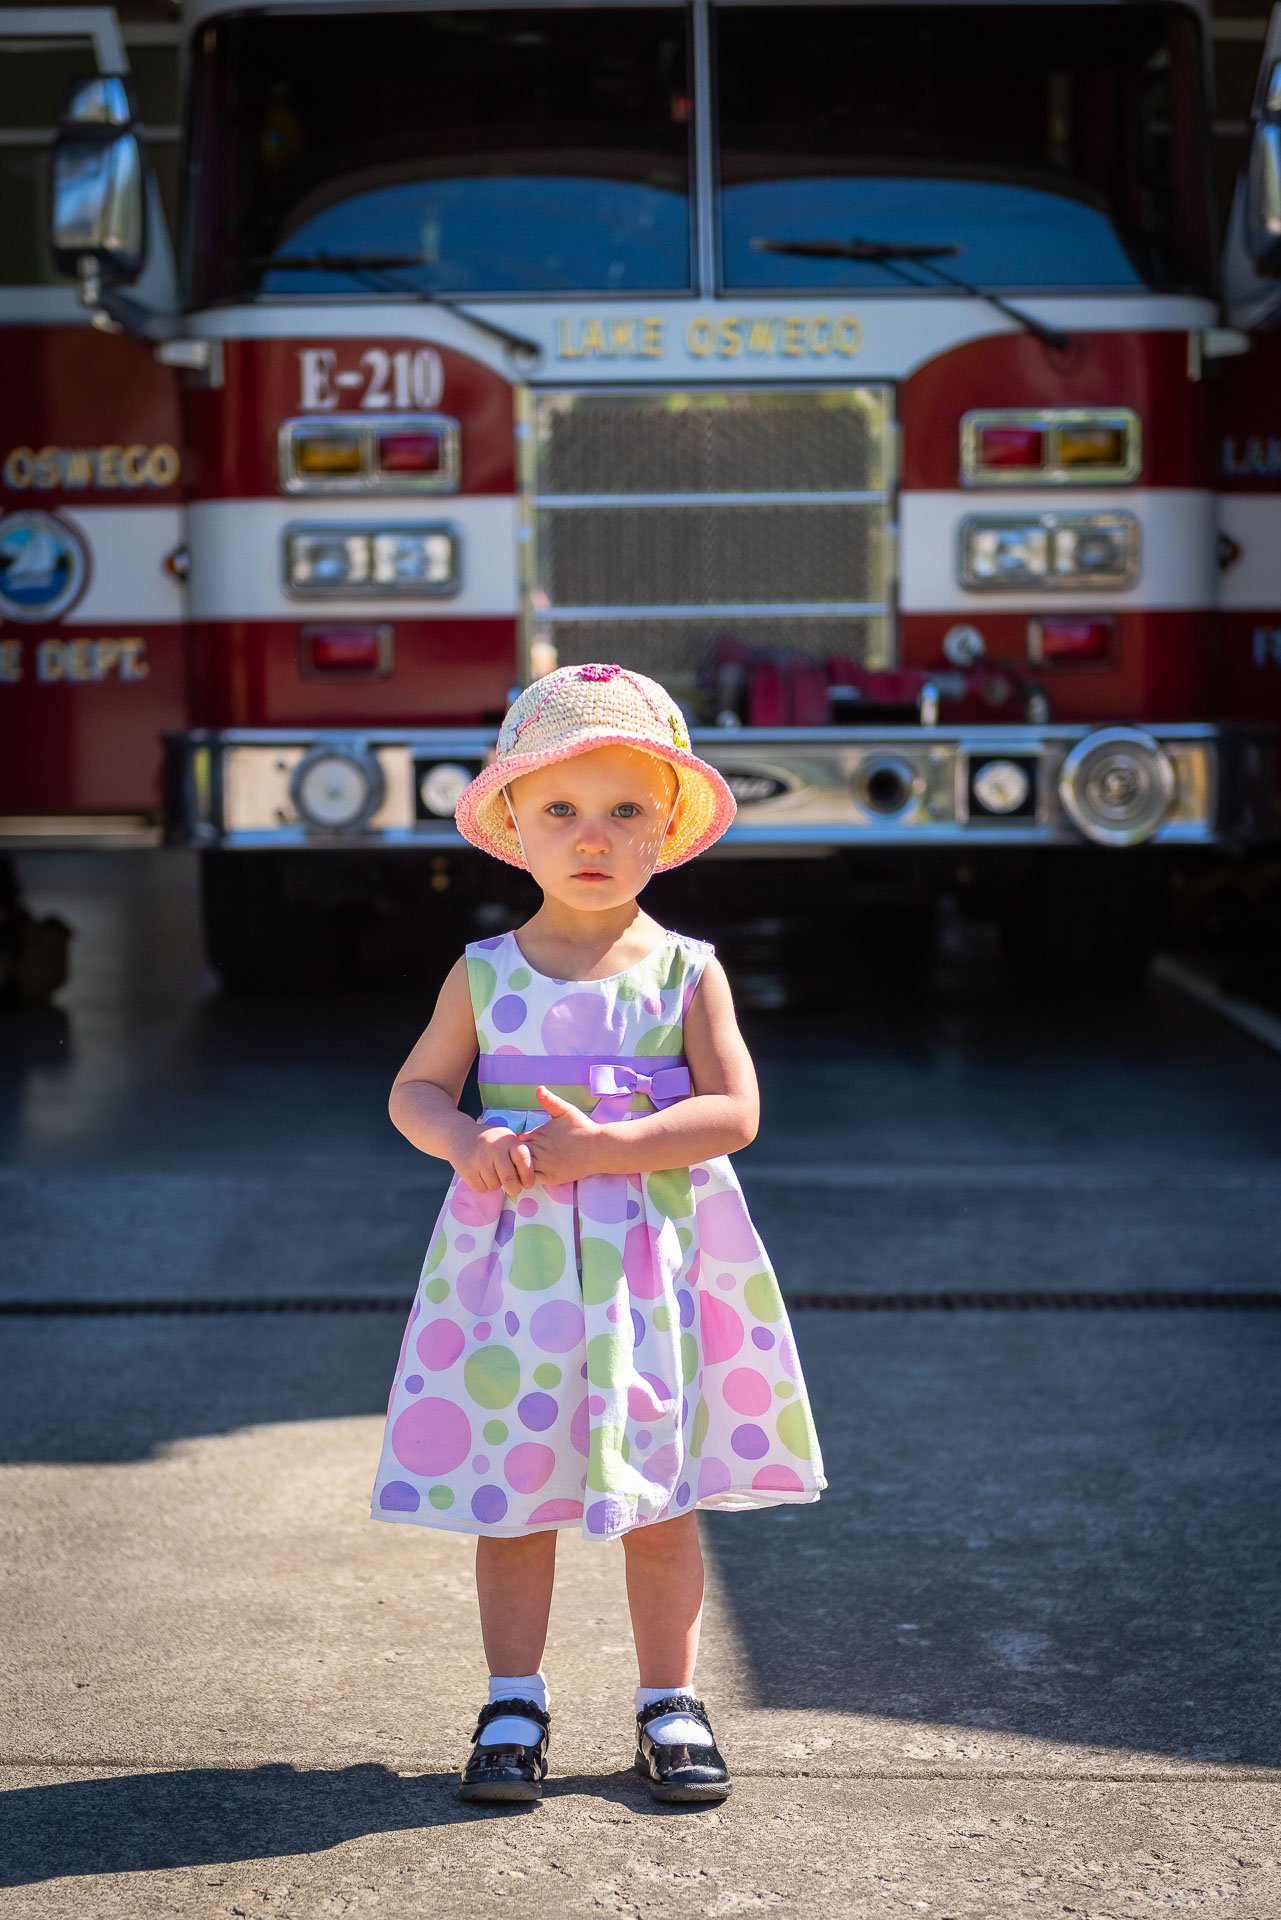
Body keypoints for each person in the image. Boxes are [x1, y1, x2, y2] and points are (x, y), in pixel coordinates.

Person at [370, 661, 828, 1804]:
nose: (593, 836)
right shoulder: (484, 975)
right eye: (562, 809)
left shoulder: (685, 973)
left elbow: (735, 1112)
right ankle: (512, 1700)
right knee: (518, 1495)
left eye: (626, 809)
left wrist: (611, 1150)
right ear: (512, 823)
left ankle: (668, 1700)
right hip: (515, 1273)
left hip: (649, 1271)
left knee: (660, 1499)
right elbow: (414, 1092)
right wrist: (465, 1139)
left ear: (666, 829)